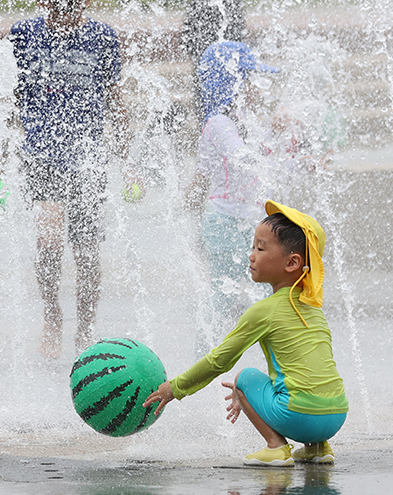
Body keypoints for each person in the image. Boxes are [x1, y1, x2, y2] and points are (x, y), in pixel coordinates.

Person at [0, 0, 131, 359]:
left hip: (87, 156)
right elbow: (6, 97)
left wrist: (127, 157)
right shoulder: (22, 35)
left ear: (86, 1)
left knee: (86, 252)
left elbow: (116, 100)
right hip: (41, 152)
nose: (65, 19)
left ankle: (85, 327)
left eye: (73, 9)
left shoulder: (102, 38)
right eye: (56, 10)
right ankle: (52, 314)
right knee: (48, 239)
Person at [144, 200, 349, 467]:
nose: (251, 255)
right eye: (252, 247)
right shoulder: (313, 308)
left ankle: (276, 448)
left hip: (299, 416)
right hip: (336, 415)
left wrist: (176, 387)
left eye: (260, 249)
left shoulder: (264, 311)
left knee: (245, 378)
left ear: (292, 263)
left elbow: (220, 360)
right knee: (300, 379)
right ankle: (318, 448)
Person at [185, 41, 292, 354]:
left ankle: (276, 358)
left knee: (265, 294)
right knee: (225, 294)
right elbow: (241, 157)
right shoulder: (220, 123)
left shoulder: (246, 122)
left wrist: (286, 140)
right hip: (227, 222)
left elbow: (272, 167)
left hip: (248, 223)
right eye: (249, 79)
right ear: (231, 82)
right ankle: (201, 359)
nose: (257, 87)